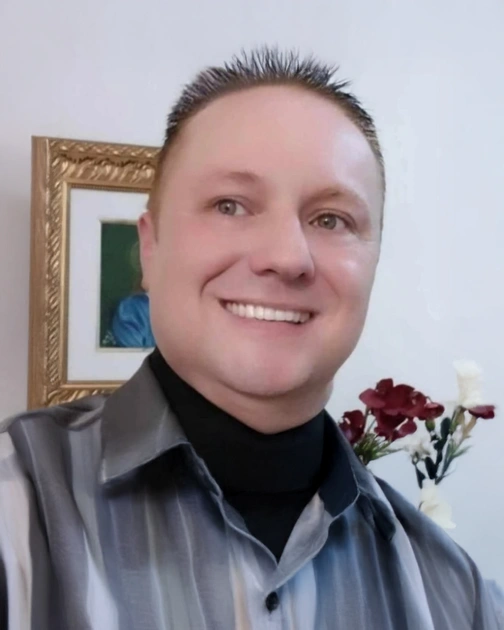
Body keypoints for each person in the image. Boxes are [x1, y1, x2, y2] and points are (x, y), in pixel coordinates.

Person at [0, 48, 501, 629]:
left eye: (331, 219)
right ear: (150, 247)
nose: (286, 256)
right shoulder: (17, 509)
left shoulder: (455, 595)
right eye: (230, 206)